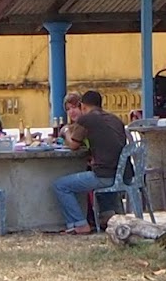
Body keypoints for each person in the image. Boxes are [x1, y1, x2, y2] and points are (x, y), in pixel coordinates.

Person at [52, 89, 128, 234]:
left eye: (76, 107)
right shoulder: (114, 119)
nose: (72, 111)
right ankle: (106, 217)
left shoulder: (86, 120)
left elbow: (73, 145)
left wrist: (66, 132)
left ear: (83, 106)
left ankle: (79, 224)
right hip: (124, 174)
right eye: (69, 109)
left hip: (105, 176)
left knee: (60, 185)